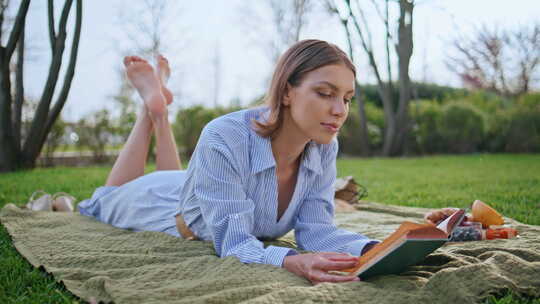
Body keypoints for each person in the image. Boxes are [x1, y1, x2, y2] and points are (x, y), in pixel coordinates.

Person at [78, 39, 452, 284]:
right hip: (163, 209)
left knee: (174, 175)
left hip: (198, 187)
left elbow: (316, 230)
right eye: (325, 93)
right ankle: (151, 112)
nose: (339, 111)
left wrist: (379, 249)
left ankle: (157, 109)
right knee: (103, 198)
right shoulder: (223, 136)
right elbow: (235, 242)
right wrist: (290, 261)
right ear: (287, 91)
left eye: (348, 98)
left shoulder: (323, 146)